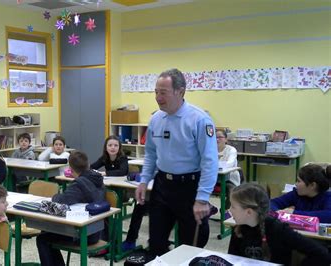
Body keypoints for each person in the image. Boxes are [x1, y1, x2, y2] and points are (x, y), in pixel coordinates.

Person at [135, 68, 218, 259]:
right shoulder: (156, 118)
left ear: (180, 92)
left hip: (190, 187)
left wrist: (203, 198)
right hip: (163, 184)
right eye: (156, 92)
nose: (158, 97)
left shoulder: (199, 119)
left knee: (191, 246)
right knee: (156, 243)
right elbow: (150, 153)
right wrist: (143, 180)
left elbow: (210, 161)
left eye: (163, 92)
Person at [228, 183, 331, 265]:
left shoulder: (278, 229)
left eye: (233, 207)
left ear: (249, 212)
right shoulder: (239, 228)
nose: (229, 210)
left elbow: (322, 254)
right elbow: (232, 259)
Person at [36, 151, 105, 266]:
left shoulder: (79, 183)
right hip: (96, 231)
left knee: (42, 239)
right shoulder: (96, 178)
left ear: (71, 169)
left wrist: (55, 195)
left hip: (83, 234)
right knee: (46, 232)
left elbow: (60, 200)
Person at [216, 128, 240, 210]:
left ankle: (224, 211)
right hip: (213, 178)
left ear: (226, 139)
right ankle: (210, 208)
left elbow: (229, 164)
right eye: (215, 137)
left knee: (232, 192)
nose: (217, 139)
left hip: (229, 178)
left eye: (220, 137)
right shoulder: (210, 150)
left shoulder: (231, 150)